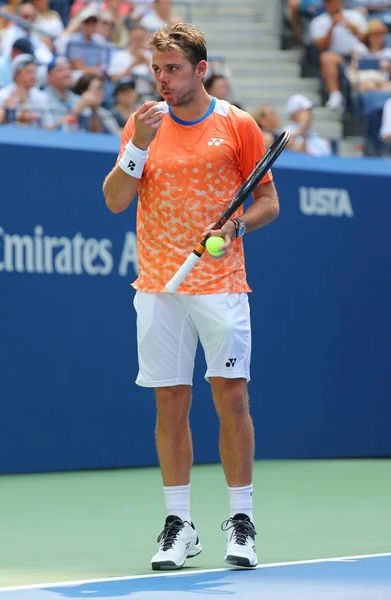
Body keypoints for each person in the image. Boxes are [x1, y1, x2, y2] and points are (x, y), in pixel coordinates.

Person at [103, 23, 279, 571]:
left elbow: (268, 203)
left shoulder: (236, 124)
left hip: (220, 284)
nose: (163, 79)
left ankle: (241, 520)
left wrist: (236, 230)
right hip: (157, 285)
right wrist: (137, 147)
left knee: (231, 399)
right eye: (157, 69)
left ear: (200, 69)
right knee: (169, 403)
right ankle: (179, 525)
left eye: (173, 69)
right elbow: (114, 201)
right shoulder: (142, 124)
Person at [309, 0, 368, 109]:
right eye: (333, 3)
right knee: (326, 58)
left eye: (338, 2)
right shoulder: (318, 22)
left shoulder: (355, 16)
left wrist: (351, 27)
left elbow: (367, 40)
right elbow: (321, 46)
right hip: (337, 56)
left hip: (358, 54)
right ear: (326, 5)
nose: (336, 6)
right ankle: (335, 94)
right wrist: (332, 26)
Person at [0, 53, 53, 128]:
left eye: (34, 72)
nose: (33, 76)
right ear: (16, 75)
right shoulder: (2, 95)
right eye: (29, 72)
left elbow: (49, 126)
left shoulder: (41, 97)